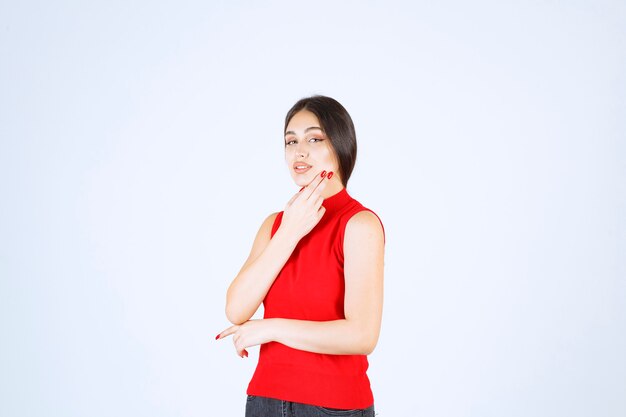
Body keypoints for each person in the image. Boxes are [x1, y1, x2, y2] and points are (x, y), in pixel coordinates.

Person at [216, 95, 385, 417]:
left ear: (341, 146)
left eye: (315, 138)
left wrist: (271, 328)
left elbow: (362, 335)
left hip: (332, 406)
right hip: (264, 400)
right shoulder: (276, 225)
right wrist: (290, 232)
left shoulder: (359, 224)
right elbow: (236, 309)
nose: (299, 151)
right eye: (290, 141)